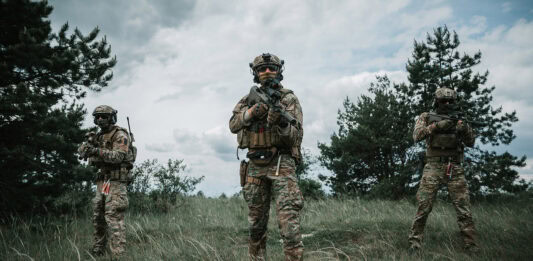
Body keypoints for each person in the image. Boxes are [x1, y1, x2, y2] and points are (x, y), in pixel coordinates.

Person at [229, 53, 305, 260]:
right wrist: (252, 112)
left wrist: (280, 122)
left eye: (272, 68)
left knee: (290, 228)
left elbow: (296, 137)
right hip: (254, 165)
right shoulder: (247, 100)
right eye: (262, 69)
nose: (267, 72)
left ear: (279, 70)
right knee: (256, 227)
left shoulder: (288, 99)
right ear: (255, 73)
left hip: (283, 164)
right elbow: (233, 125)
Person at [408, 88, 479, 252]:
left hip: (454, 167)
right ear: (436, 101)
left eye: (450, 101)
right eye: (443, 101)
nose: (447, 104)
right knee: (423, 206)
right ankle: (414, 243)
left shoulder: (460, 119)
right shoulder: (426, 116)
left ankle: (471, 245)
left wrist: (464, 130)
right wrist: (436, 126)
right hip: (433, 166)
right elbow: (417, 135)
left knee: (463, 208)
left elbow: (471, 142)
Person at [78, 105, 135, 258]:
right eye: (97, 117)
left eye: (104, 116)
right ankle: (98, 252)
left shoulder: (120, 134)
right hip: (102, 182)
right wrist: (87, 145)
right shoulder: (98, 136)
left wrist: (96, 151)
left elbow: (118, 156)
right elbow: (82, 152)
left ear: (111, 118)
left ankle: (117, 255)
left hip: (116, 181)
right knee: (98, 217)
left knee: (113, 217)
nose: (100, 119)